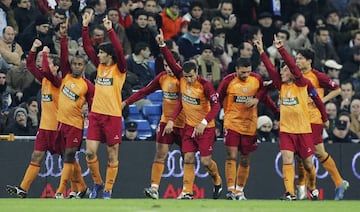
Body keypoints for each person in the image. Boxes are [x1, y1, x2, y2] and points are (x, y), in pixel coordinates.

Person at [254, 36, 328, 201]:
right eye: (282, 70)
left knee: (308, 165)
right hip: (286, 130)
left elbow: (293, 66)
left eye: (285, 70)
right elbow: (271, 70)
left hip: (303, 130)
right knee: (287, 160)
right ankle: (290, 193)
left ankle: (313, 189)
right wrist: (261, 51)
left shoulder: (302, 83)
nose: (282, 72)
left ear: (293, 72)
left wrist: (281, 49)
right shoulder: (281, 85)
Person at [122, 30, 185, 199]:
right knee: (160, 154)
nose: (168, 69)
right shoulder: (162, 78)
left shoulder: (184, 78)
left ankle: (188, 190)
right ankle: (154, 188)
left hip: (185, 123)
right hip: (166, 123)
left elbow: (182, 102)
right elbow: (143, 91)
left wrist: (162, 45)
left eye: (170, 65)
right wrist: (126, 102)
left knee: (189, 157)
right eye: (165, 66)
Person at [6, 39, 61, 198]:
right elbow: (30, 65)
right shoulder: (45, 79)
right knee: (36, 156)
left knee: (68, 158)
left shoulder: (57, 81)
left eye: (49, 63)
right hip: (44, 128)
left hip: (58, 127)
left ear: (56, 68)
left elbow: (47, 72)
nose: (45, 66)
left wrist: (43, 53)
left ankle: (82, 188)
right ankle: (23, 189)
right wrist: (33, 48)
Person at [217, 57, 278, 200]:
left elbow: (264, 96)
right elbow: (217, 100)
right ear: (236, 69)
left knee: (245, 159)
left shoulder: (256, 79)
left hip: (250, 126)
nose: (246, 75)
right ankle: (231, 190)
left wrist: (275, 111)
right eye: (243, 72)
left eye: (248, 72)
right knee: (231, 156)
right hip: (232, 124)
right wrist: (211, 120)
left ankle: (240, 191)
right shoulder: (228, 81)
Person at [82, 11, 127, 199]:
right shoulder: (99, 66)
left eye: (101, 52)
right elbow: (87, 48)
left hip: (113, 116)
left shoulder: (119, 69)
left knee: (111, 154)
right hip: (96, 115)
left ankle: (108, 189)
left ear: (108, 55)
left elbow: (120, 51)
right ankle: (98, 183)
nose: (97, 54)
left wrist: (111, 31)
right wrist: (85, 27)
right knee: (90, 153)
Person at [294, 48, 349, 200]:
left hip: (313, 120)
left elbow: (337, 90)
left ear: (309, 60)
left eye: (300, 58)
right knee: (317, 153)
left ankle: (307, 191)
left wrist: (320, 100)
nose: (297, 61)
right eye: (296, 58)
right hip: (300, 120)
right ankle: (338, 182)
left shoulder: (317, 76)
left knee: (307, 154)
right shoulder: (295, 76)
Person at [163, 59, 222, 200]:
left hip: (206, 128)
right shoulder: (182, 81)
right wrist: (171, 120)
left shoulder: (205, 85)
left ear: (196, 73)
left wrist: (203, 122)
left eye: (191, 76)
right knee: (188, 158)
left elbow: (216, 106)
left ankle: (217, 180)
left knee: (206, 162)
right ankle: (187, 192)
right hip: (189, 127)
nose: (188, 79)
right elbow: (181, 102)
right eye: (186, 76)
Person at [52, 21, 95, 199]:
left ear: (84, 67)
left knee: (69, 155)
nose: (76, 66)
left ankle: (60, 191)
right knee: (66, 157)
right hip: (61, 123)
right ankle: (82, 188)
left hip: (75, 124)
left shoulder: (87, 85)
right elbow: (63, 57)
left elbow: (93, 104)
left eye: (79, 64)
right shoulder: (66, 75)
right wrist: (63, 36)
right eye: (75, 64)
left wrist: (90, 118)